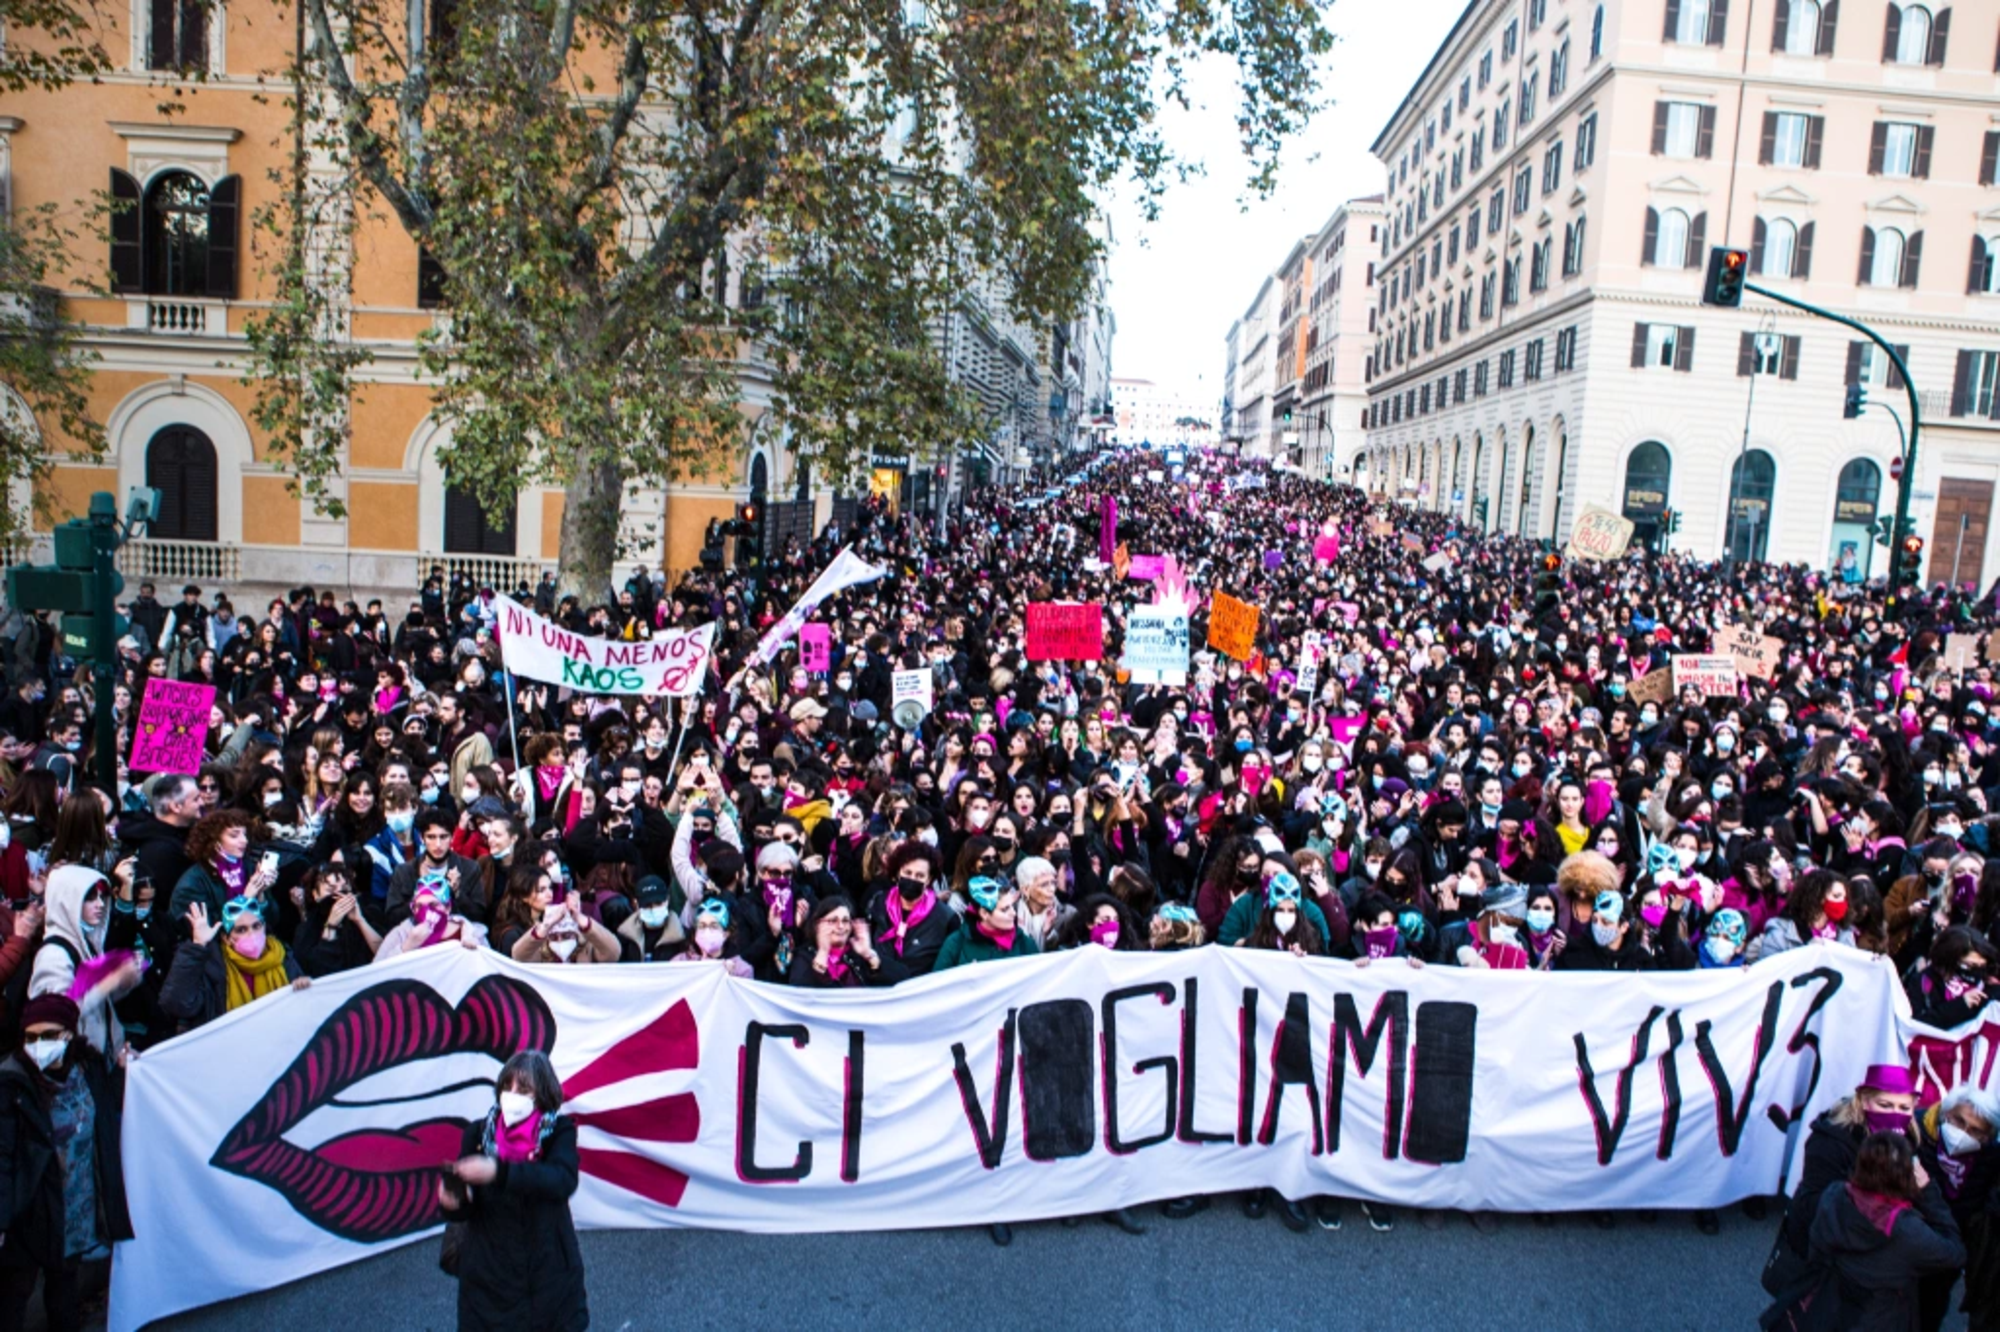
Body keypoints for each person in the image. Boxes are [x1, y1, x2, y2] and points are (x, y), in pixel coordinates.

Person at [0, 994, 131, 1332]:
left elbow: (108, 1115)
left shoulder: (87, 1069)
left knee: (63, 1296)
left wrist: (122, 1071)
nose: (39, 1045)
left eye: (50, 1036)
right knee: (13, 1301)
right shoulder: (11, 1084)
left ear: (71, 1034)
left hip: (74, 1213)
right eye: (31, 1038)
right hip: (27, 1217)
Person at [437, 1050, 589, 1332]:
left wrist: (499, 1171)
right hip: (489, 1283)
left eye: (524, 1088)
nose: (512, 1094)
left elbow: (562, 1179)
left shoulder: (558, 1132)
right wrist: (453, 1201)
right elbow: (464, 1210)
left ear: (543, 1095)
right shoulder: (477, 1134)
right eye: (507, 1085)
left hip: (549, 1279)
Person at [1768, 1131, 1966, 1331]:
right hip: (1878, 1319)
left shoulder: (1835, 1195)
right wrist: (1928, 1191)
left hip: (1823, 1306)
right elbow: (1955, 1253)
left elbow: (1817, 1247)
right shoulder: (1907, 1230)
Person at [1775, 1065, 1922, 1290]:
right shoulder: (1830, 1141)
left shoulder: (1908, 1139)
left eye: (1904, 1108)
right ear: (1864, 1102)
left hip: (1870, 1249)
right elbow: (1814, 1203)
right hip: (1826, 1247)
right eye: (1885, 1105)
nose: (1895, 1114)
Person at [160, 896, 311, 1030]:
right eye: (241, 930)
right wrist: (197, 947)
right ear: (227, 938)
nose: (251, 934)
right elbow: (177, 1004)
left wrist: (304, 988)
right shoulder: (212, 966)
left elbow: (304, 1009)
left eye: (256, 926)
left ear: (264, 927)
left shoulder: (282, 956)